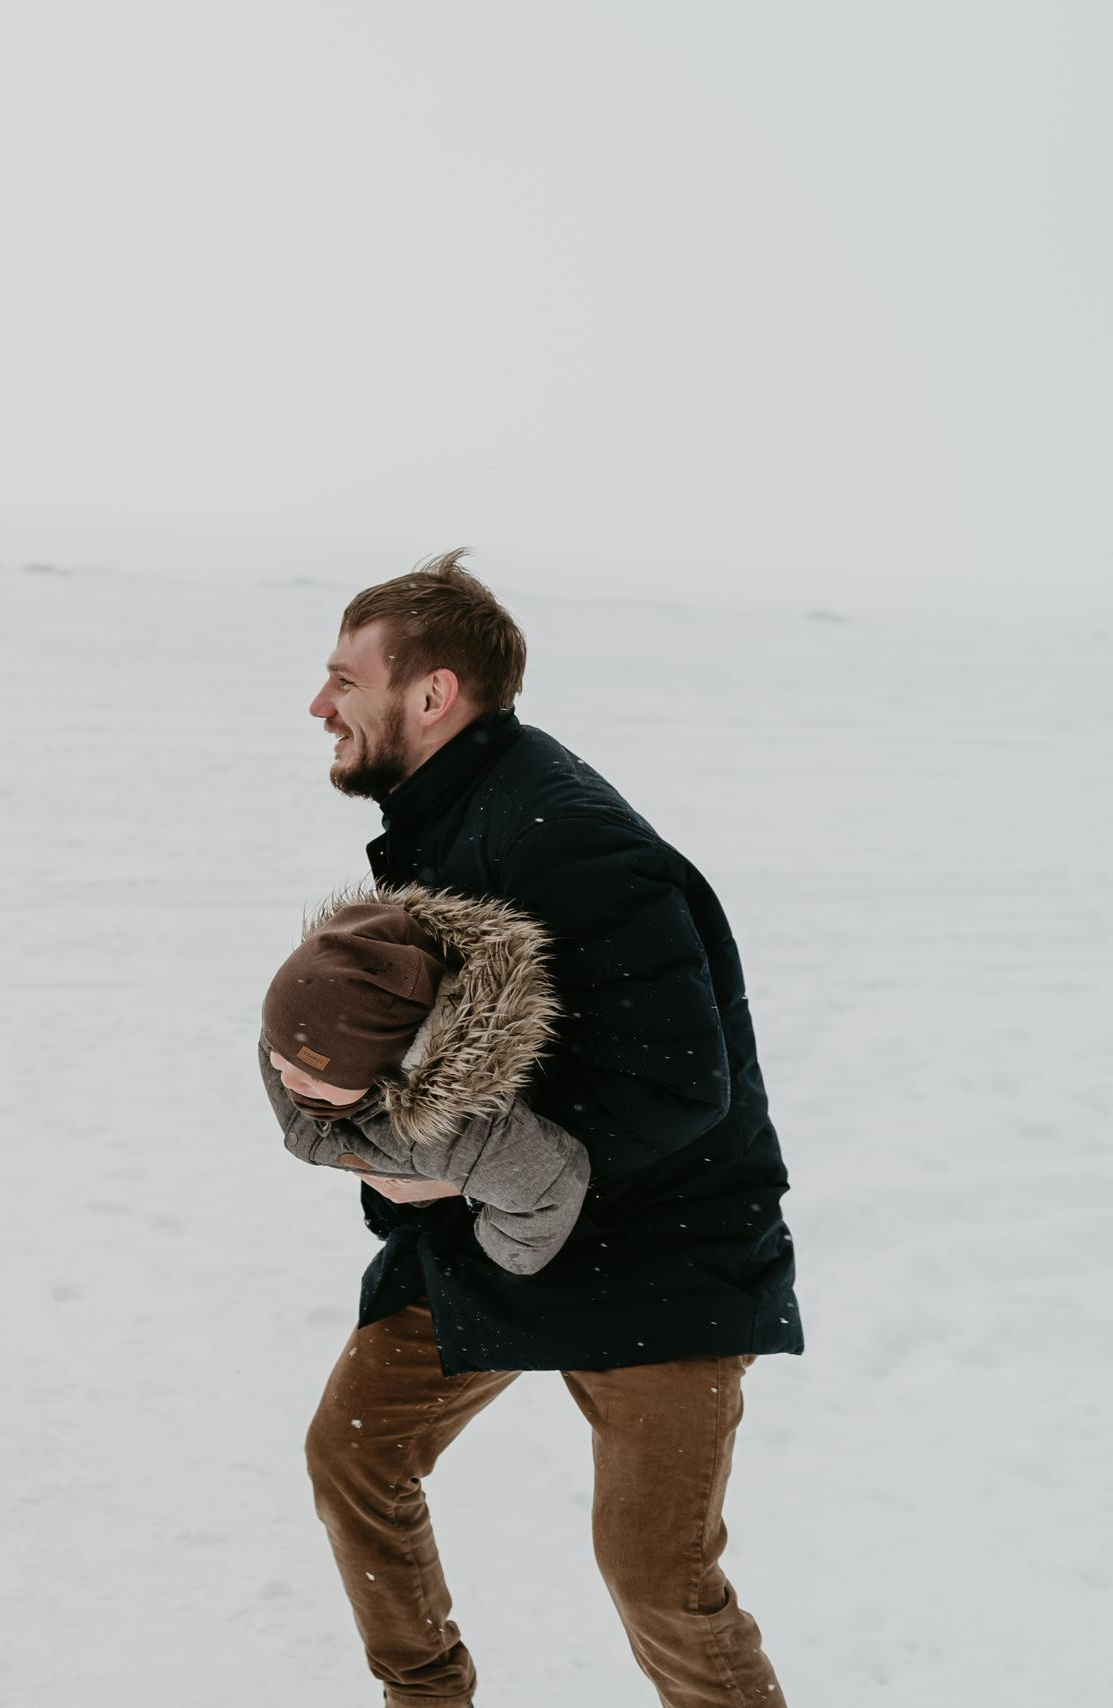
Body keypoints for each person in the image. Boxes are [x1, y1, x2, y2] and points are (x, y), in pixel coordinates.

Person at [294, 550, 799, 1707]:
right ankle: (425, 1693)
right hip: (504, 1230)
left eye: (341, 679)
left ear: (430, 696)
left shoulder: (562, 834)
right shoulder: (448, 816)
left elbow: (679, 1084)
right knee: (357, 1455)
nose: (318, 704)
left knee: (656, 1573)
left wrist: (469, 1175)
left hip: (660, 1251)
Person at [260, 887, 589, 1277]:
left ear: (386, 1069)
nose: (284, 1074)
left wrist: (482, 1254)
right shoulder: (300, 1039)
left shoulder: (466, 1134)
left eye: (314, 1072)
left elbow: (549, 1193)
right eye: (275, 1048)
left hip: (462, 1248)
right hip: (403, 1213)